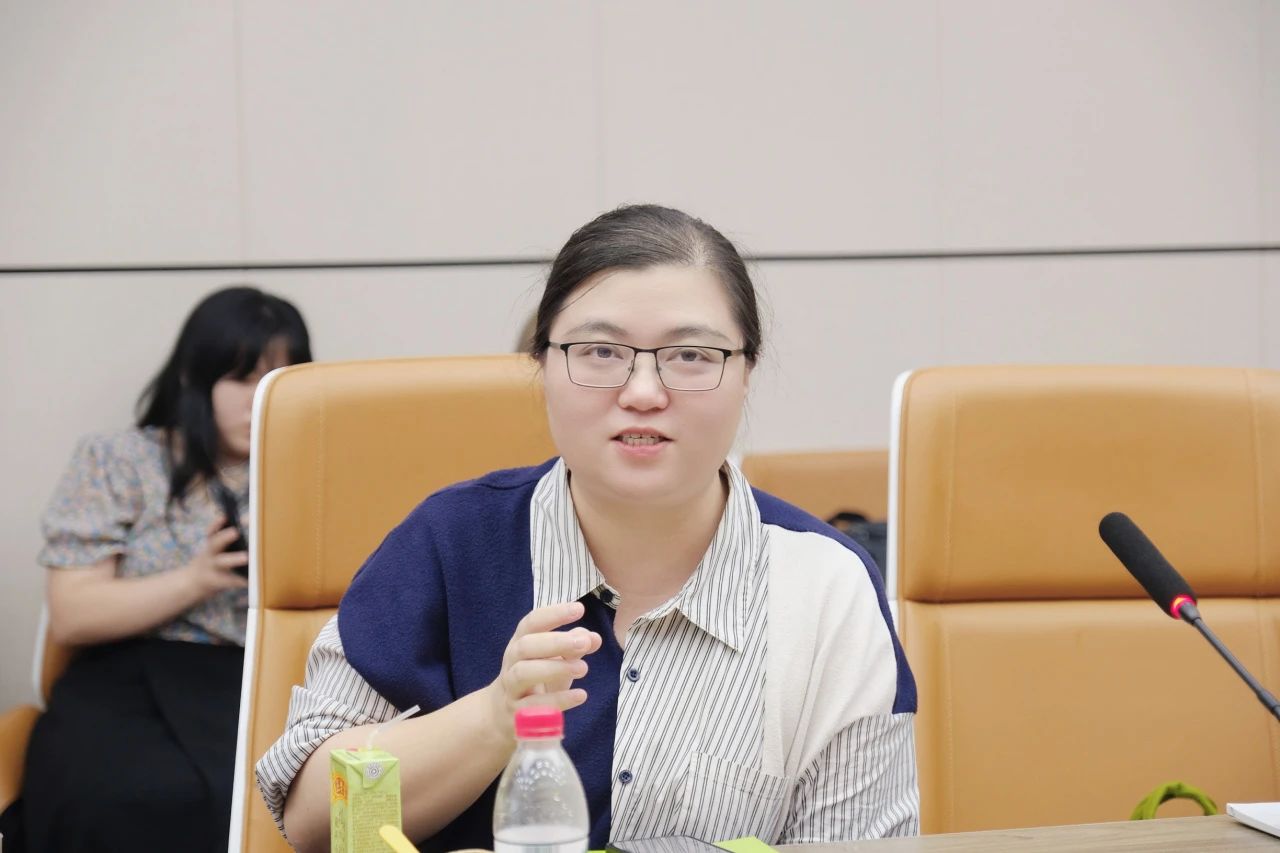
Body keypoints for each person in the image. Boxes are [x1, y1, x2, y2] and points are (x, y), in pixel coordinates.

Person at [257, 205, 918, 852]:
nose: (643, 392)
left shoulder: (825, 585)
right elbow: (317, 819)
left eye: (691, 354)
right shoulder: (451, 543)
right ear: (541, 364)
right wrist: (493, 718)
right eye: (601, 351)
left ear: (746, 371)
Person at [17, 286, 311, 853]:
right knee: (118, 794)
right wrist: (194, 580)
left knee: (278, 795)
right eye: (242, 378)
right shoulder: (121, 460)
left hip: (263, 681)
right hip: (129, 681)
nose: (258, 399)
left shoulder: (315, 468)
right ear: (194, 378)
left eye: (276, 379)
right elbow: (73, 614)